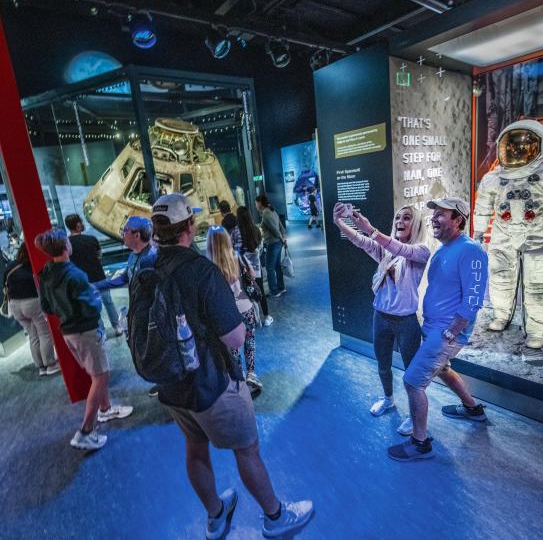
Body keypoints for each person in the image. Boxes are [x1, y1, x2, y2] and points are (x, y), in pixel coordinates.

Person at [147, 193, 312, 539]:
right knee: (247, 450)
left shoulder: (145, 268)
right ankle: (275, 517)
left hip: (172, 384)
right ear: (188, 226)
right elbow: (236, 338)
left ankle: (216, 515)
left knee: (194, 448)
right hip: (212, 383)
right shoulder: (201, 271)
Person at [387, 198, 488, 462]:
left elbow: (474, 298)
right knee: (441, 369)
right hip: (434, 327)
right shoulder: (444, 249)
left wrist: (452, 332)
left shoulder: (471, 250)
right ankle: (472, 408)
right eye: (434, 214)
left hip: (445, 332)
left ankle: (420, 443)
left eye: (441, 214)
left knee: (412, 381)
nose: (433, 218)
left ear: (458, 220)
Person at [473, 119, 543, 349]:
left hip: (540, 236)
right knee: (500, 279)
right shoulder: (494, 177)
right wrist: (478, 231)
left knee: (540, 285)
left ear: (539, 144)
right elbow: (483, 203)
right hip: (503, 235)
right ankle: (502, 315)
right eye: (511, 145)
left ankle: (537, 330)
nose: (517, 150)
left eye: (524, 145)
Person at [333, 202, 429, 436]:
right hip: (381, 317)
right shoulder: (387, 252)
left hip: (406, 322)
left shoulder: (420, 251)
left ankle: (413, 415)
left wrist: (370, 229)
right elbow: (362, 241)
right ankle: (388, 399)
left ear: (415, 224)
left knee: (411, 373)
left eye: (406, 218)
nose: (400, 222)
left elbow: (399, 249)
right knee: (382, 364)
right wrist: (340, 222)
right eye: (397, 218)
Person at [35, 229, 133, 451]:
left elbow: (47, 307)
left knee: (96, 373)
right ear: (65, 247)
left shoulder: (46, 273)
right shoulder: (76, 275)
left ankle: (106, 409)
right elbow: (91, 307)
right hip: (86, 331)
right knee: (101, 375)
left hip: (68, 332)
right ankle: (86, 431)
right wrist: (96, 299)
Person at [93, 216, 159, 397]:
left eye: (126, 230)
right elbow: (124, 279)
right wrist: (97, 286)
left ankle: (166, 384)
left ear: (136, 234)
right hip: (139, 313)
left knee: (154, 350)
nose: (122, 234)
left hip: (151, 316)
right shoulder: (134, 256)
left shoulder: (151, 257)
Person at [206, 226, 262, 392]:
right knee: (250, 341)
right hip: (246, 307)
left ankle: (239, 377)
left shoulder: (209, 267)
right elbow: (252, 275)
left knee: (233, 348)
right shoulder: (237, 257)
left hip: (228, 313)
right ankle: (251, 374)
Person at [5, 243, 59, 376]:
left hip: (15, 305)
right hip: (32, 303)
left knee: (32, 335)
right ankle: (50, 365)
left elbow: (4, 286)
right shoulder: (33, 266)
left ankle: (41, 367)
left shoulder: (11, 266)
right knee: (44, 333)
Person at [64, 214, 122, 336]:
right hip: (99, 276)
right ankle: (117, 326)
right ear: (78, 225)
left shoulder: (67, 244)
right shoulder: (92, 239)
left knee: (93, 308)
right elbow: (99, 256)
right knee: (108, 302)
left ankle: (101, 332)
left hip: (83, 281)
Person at [236, 205, 273, 326]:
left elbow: (237, 252)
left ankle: (255, 318)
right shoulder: (256, 230)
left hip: (244, 270)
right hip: (257, 268)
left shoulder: (237, 233)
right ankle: (267, 317)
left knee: (248, 294)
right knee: (260, 291)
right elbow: (261, 248)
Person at [255, 195, 286, 298]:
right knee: (277, 266)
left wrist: (281, 238)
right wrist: (283, 238)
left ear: (260, 203)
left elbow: (274, 229)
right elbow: (280, 226)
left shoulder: (265, 213)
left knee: (269, 267)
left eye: (256, 203)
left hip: (273, 243)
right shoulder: (271, 210)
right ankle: (281, 287)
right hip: (278, 243)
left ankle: (274, 291)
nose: (256, 205)